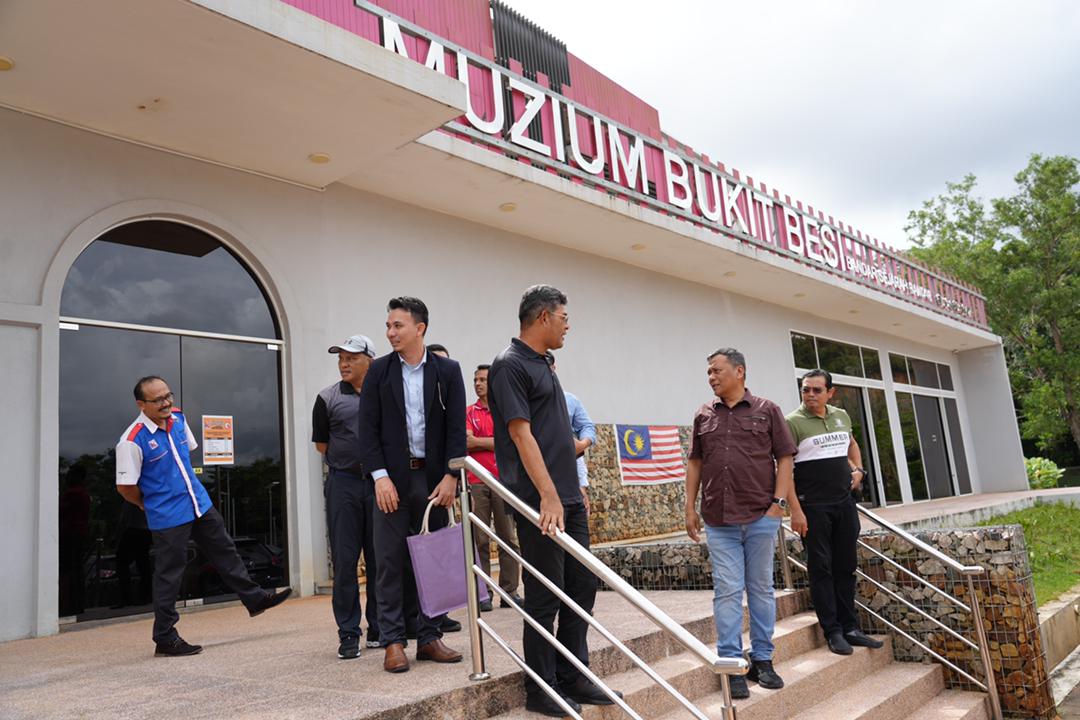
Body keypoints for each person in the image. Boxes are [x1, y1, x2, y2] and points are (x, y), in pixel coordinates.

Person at [489, 285, 619, 717]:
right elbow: (520, 434)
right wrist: (547, 495)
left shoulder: (544, 363)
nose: (568, 326)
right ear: (543, 316)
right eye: (564, 317)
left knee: (581, 587)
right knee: (546, 595)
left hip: (567, 497)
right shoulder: (509, 365)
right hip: (540, 501)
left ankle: (572, 673)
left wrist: (569, 490)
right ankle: (540, 687)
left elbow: (553, 433)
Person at [115, 376, 291, 657]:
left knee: (225, 551)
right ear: (141, 404)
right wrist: (147, 504)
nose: (166, 403)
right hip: (168, 515)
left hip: (198, 503)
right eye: (158, 400)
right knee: (169, 575)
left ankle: (255, 598)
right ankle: (165, 637)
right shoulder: (132, 440)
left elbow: (185, 457)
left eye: (168, 396)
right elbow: (125, 487)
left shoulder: (178, 419)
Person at [359, 296, 467, 674]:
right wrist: (380, 477)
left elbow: (456, 429)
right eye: (388, 326)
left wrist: (451, 476)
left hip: (433, 480)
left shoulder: (448, 371)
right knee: (388, 561)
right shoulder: (378, 371)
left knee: (432, 559)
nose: (390, 333)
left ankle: (429, 637)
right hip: (391, 479)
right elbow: (367, 430)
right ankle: (392, 641)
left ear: (419, 328)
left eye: (398, 326)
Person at [684, 348, 796, 699]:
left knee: (760, 589)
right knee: (728, 590)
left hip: (761, 516)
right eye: (709, 372)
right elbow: (695, 463)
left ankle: (763, 659)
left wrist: (779, 505)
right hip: (719, 519)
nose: (711, 377)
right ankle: (732, 663)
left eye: (717, 371)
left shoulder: (768, 410)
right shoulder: (704, 414)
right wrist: (689, 508)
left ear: (739, 372)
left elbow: (785, 458)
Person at [785, 369, 884, 655]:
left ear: (830, 392)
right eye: (806, 389)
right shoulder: (792, 423)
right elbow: (785, 469)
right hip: (813, 507)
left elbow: (851, 444)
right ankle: (833, 631)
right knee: (821, 568)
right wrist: (795, 510)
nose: (810, 395)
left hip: (844, 504)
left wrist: (859, 470)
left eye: (817, 390)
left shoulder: (841, 415)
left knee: (846, 566)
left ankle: (850, 627)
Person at [313, 334, 381, 659]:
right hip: (343, 484)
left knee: (381, 559)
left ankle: (379, 627)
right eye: (341, 358)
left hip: (380, 484)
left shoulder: (384, 394)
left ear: (370, 360)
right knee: (345, 561)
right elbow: (322, 445)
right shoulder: (327, 398)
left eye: (351, 357)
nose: (344, 363)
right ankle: (349, 633)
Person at [465, 364, 522, 612]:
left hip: (503, 481)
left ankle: (509, 592)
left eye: (483, 380)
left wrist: (480, 441)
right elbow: (467, 443)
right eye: (475, 380)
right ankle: (483, 593)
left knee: (508, 538)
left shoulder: (505, 412)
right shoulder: (469, 412)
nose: (478, 384)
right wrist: (493, 442)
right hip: (477, 482)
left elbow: (510, 442)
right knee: (479, 539)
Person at [553, 361, 596, 512]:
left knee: (577, 517)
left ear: (553, 368)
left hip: (572, 471)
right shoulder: (528, 402)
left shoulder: (570, 400)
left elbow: (587, 426)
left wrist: (582, 444)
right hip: (543, 476)